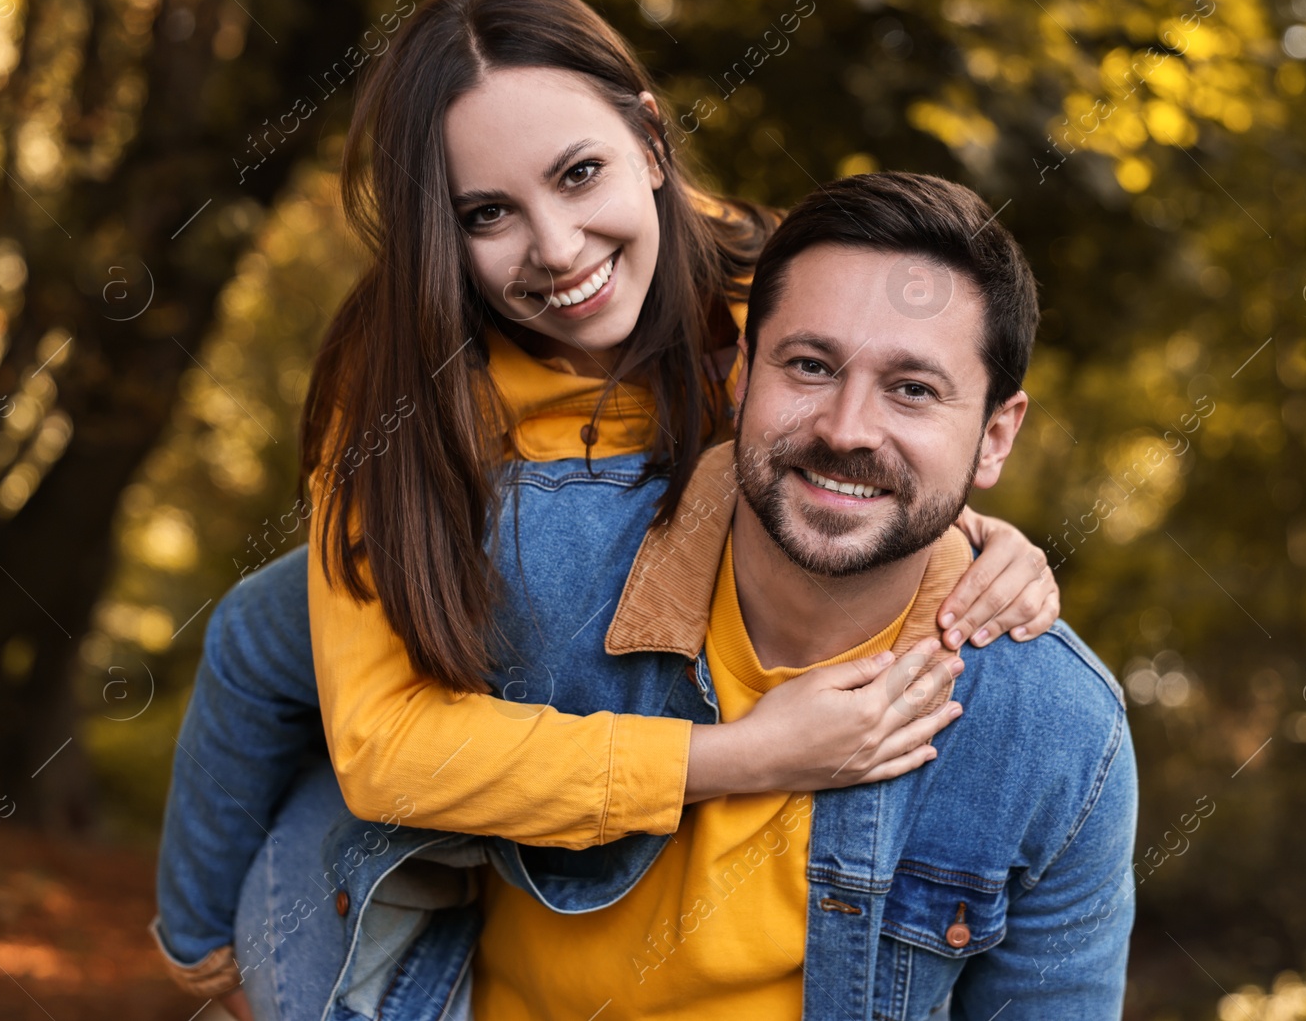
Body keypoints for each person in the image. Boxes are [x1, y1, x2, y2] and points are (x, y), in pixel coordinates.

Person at [150, 0, 1063, 1013]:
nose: (555, 246)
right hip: (448, 666)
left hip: (591, 675)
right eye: (487, 212)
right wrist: (740, 754)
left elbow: (867, 443)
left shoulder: (756, 295)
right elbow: (385, 748)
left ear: (652, 142)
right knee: (261, 632)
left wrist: (980, 537)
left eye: (580, 174)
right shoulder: (400, 388)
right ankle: (193, 954)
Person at [309, 171, 1136, 1020]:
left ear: (994, 437)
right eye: (810, 365)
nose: (847, 428)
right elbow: (345, 731)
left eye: (913, 390)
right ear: (741, 374)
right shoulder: (530, 556)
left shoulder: (1057, 734)